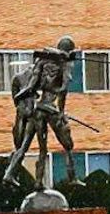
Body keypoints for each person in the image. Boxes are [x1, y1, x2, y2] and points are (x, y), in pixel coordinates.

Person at [6, 36, 81, 186]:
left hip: (37, 109)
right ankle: (71, 178)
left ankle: (11, 173)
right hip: (49, 109)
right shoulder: (64, 64)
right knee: (67, 145)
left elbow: (31, 86)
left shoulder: (42, 61)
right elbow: (63, 91)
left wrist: (19, 97)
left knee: (27, 145)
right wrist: (61, 113)